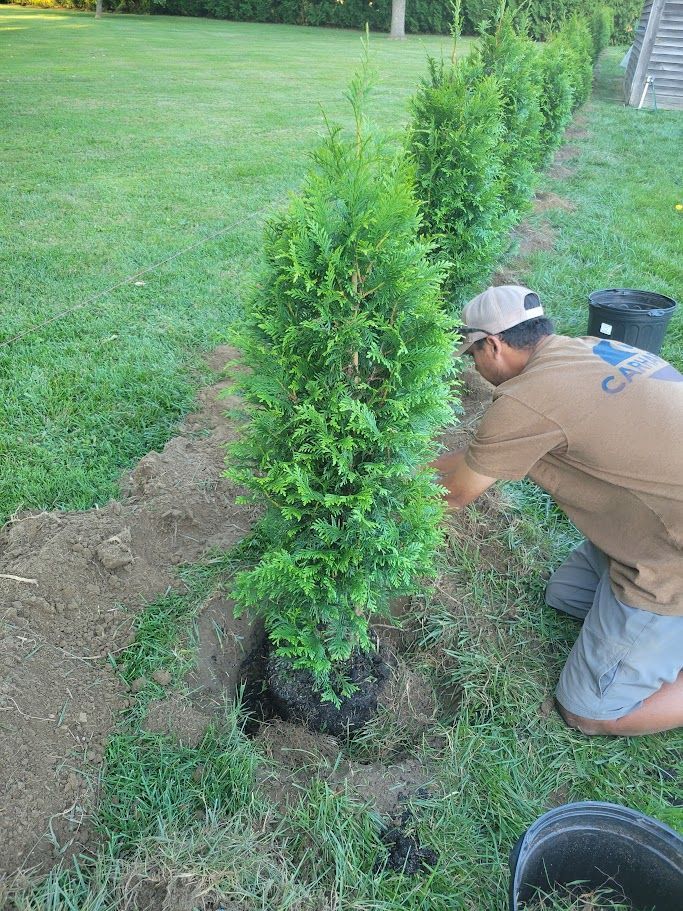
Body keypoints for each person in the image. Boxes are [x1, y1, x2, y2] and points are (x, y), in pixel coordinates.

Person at [434, 285, 683, 736]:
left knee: (588, 712)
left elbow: (453, 496)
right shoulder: (584, 350)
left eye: (473, 355)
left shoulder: (526, 401)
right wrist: (405, 473)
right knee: (566, 596)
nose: (474, 367)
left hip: (670, 558)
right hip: (649, 524)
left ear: (493, 345)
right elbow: (478, 460)